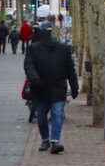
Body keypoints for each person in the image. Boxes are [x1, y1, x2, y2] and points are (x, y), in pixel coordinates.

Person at [23, 23, 79, 154]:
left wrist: (74, 86)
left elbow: (70, 69)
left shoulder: (63, 49)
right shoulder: (33, 48)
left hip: (58, 88)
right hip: (40, 88)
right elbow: (29, 66)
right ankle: (45, 139)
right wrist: (35, 79)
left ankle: (55, 141)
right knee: (41, 117)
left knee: (57, 115)